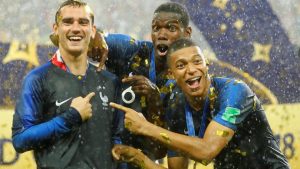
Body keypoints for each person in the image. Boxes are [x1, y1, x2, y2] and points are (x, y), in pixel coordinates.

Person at [109, 38, 291, 169]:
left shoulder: (235, 91)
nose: (191, 70)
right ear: (171, 74)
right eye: (181, 66)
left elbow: (206, 151)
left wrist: (146, 127)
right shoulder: (176, 105)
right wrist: (137, 157)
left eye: (197, 62)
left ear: (206, 66)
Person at [51, 2, 192, 163]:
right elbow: (95, 40)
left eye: (171, 28)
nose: (162, 34)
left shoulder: (188, 87)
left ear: (187, 34)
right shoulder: (133, 51)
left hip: (139, 161)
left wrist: (155, 102)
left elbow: (159, 152)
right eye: (156, 28)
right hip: (98, 151)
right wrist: (97, 38)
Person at [12, 1, 121, 168]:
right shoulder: (37, 79)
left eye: (83, 22)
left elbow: (118, 141)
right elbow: (21, 139)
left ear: (93, 30)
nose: (76, 28)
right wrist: (71, 117)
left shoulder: (110, 81)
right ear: (56, 29)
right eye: (68, 22)